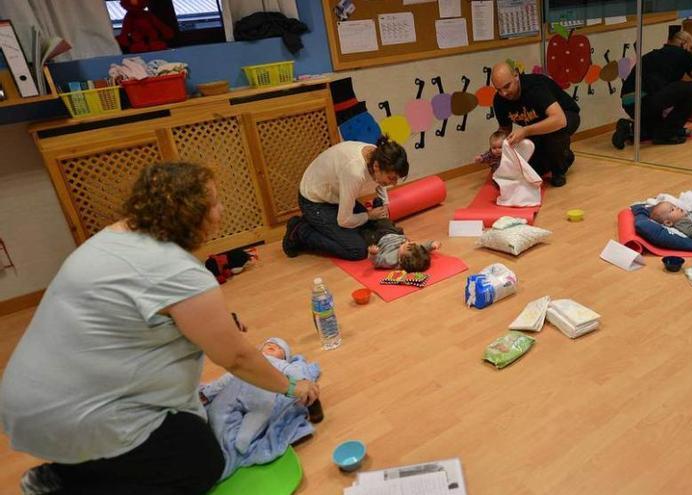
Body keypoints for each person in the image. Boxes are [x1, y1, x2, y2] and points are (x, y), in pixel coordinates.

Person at [0, 162, 319, 495]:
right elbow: (237, 358)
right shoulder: (177, 271)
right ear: (190, 214)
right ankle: (67, 483)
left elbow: (147, 315)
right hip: (76, 417)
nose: (221, 210)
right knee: (202, 461)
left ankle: (67, 471)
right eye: (213, 203)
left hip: (30, 402)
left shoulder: (113, 236)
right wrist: (291, 386)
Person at [200, 337, 322, 480]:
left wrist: (303, 381)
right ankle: (223, 443)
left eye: (278, 348)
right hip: (235, 393)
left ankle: (242, 442)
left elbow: (294, 372)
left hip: (262, 397)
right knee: (217, 412)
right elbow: (226, 379)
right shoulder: (248, 364)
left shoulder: (278, 365)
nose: (272, 347)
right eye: (269, 344)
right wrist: (208, 393)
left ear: (284, 358)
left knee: (261, 413)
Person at [283, 135, 408, 261]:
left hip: (333, 196)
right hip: (313, 201)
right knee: (357, 250)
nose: (394, 184)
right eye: (392, 178)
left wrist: (385, 204)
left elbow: (380, 182)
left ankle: (319, 224)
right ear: (376, 166)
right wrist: (369, 215)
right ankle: (300, 231)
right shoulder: (355, 172)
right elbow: (344, 220)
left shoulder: (378, 155)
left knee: (367, 230)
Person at [614, 30, 692, 147]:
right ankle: (667, 134)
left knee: (654, 129)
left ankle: (629, 128)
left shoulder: (652, 55)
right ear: (684, 44)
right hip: (646, 100)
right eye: (689, 47)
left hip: (629, 103)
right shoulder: (684, 54)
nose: (689, 50)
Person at [491, 62, 581, 187]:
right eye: (498, 89)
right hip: (537, 128)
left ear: (516, 75)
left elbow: (559, 120)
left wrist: (525, 131)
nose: (504, 93)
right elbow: (505, 128)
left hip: (566, 116)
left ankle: (558, 170)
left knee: (553, 134)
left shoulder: (535, 88)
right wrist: (498, 145)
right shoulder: (499, 100)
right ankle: (564, 157)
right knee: (527, 170)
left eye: (507, 86)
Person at [361, 217, 441, 271]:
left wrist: (373, 253)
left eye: (406, 245)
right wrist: (432, 244)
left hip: (378, 239)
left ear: (400, 259)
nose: (408, 242)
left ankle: (364, 224)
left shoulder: (390, 260)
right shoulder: (415, 251)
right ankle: (376, 216)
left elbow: (377, 262)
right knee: (386, 222)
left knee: (366, 233)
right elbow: (424, 247)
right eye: (411, 243)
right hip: (394, 233)